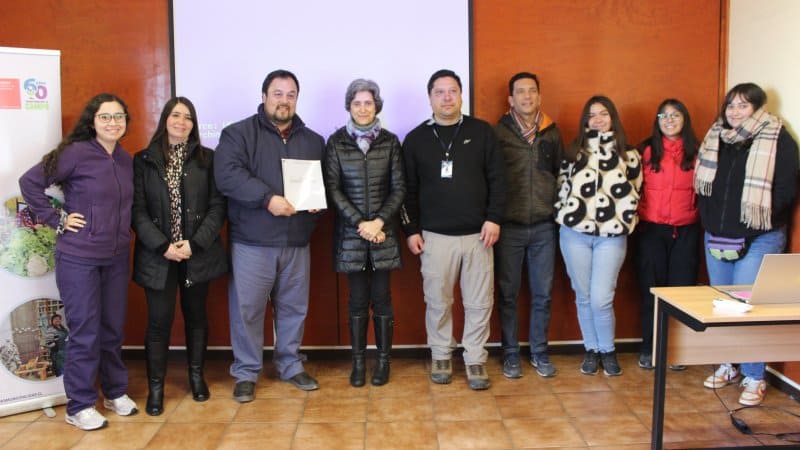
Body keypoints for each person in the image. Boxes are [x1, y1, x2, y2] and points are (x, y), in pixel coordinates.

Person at [19, 93, 138, 430]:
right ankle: (80, 404)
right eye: (105, 117)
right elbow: (30, 182)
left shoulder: (126, 160)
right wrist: (56, 217)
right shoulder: (75, 153)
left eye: (118, 117)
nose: (112, 123)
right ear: (92, 121)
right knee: (85, 331)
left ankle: (115, 393)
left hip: (115, 258)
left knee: (113, 329)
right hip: (79, 258)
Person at [214, 69, 326, 402]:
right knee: (247, 310)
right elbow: (228, 176)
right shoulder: (237, 134)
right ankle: (247, 372)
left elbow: (320, 183)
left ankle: (290, 365)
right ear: (264, 96)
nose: (284, 100)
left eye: (291, 94)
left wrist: (318, 203)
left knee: (294, 309)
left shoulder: (312, 140)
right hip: (252, 241)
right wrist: (268, 199)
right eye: (278, 93)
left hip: (296, 241)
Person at [401, 69, 506, 390]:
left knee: (479, 302)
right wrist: (411, 229)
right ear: (430, 97)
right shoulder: (416, 139)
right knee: (438, 301)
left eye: (452, 91)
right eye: (440, 92)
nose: (447, 97)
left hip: (479, 235)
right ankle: (441, 354)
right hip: (434, 237)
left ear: (461, 95)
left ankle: (475, 359)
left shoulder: (482, 132)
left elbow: (499, 180)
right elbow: (407, 190)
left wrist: (494, 218)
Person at [695, 83, 799, 406]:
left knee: (751, 307)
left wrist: (761, 221)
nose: (735, 112)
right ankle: (729, 365)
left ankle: (755, 375)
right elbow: (703, 187)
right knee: (723, 305)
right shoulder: (716, 138)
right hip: (718, 235)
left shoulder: (778, 138)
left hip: (758, 235)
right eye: (731, 105)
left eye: (743, 105)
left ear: (758, 107)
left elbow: (786, 187)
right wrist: (711, 221)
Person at [132, 97, 227, 416]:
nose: (181, 122)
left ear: (194, 124)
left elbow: (217, 207)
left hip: (195, 253)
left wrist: (194, 244)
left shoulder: (207, 159)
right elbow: (137, 211)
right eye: (176, 115)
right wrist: (163, 246)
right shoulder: (143, 160)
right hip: (157, 255)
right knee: (158, 323)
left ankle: (196, 378)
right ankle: (156, 388)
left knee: (197, 319)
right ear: (165, 119)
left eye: (188, 117)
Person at [323, 79, 405, 387]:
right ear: (349, 106)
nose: (362, 108)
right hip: (351, 235)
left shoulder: (390, 141)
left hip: (383, 235)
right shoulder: (336, 142)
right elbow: (333, 189)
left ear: (376, 106)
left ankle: (383, 364)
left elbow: (399, 189)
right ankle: (358, 364)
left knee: (382, 300)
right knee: (357, 300)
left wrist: (379, 222)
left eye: (368, 103)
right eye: (356, 103)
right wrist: (362, 224)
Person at [555, 95, 642, 377]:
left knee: (601, 298)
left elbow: (637, 192)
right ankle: (591, 349)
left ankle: (608, 350)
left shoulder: (629, 155)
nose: (597, 120)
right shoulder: (574, 152)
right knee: (583, 295)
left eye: (603, 114)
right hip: (574, 235)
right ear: (585, 121)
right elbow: (561, 188)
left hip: (611, 237)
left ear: (612, 117)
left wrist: (627, 219)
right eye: (591, 115)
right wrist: (563, 213)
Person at [493, 72, 563, 379]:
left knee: (542, 294)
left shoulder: (552, 132)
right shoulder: (498, 133)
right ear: (510, 99)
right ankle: (510, 354)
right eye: (520, 92)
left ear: (539, 96)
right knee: (508, 293)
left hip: (545, 227)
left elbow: (561, 176)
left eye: (532, 91)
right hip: (509, 227)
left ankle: (539, 352)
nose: (526, 97)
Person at [635, 99, 700, 371]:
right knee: (652, 290)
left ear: (684, 119)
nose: (670, 120)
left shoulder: (698, 152)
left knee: (681, 292)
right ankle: (650, 348)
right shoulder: (645, 150)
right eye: (664, 115)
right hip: (651, 230)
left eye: (676, 115)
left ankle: (676, 351)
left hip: (686, 231)